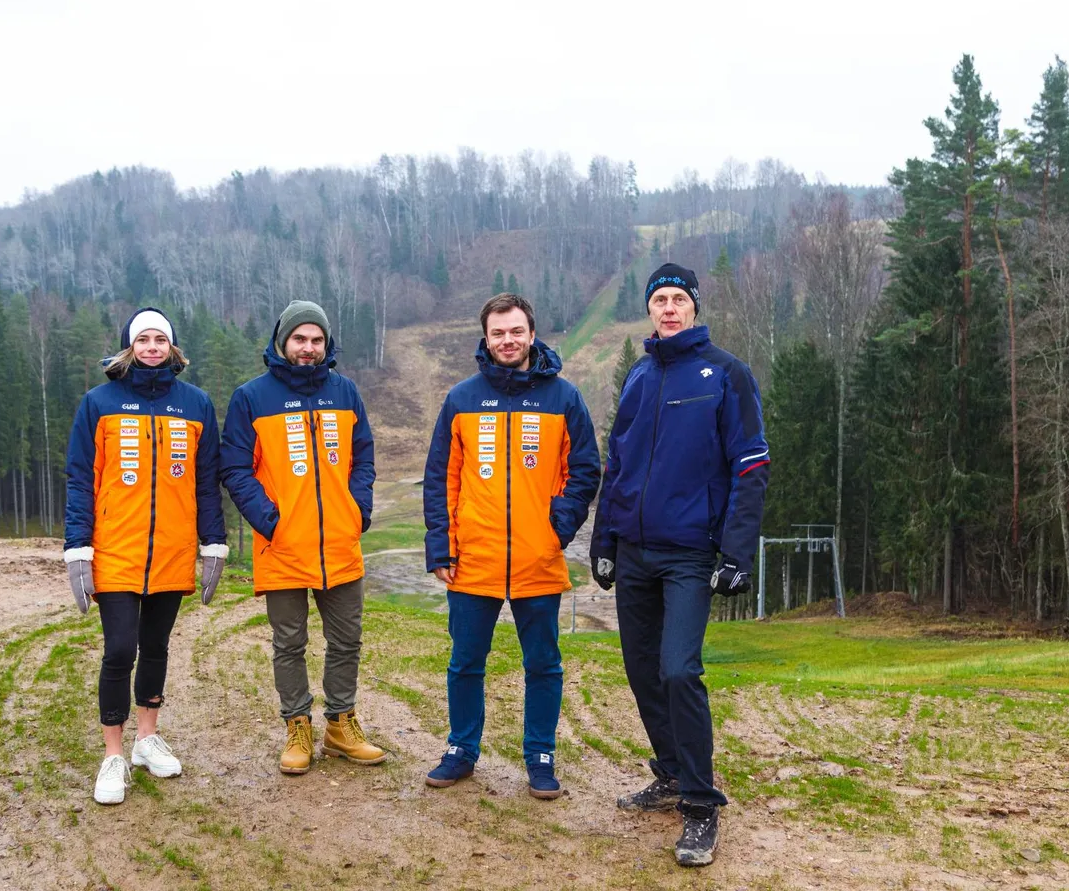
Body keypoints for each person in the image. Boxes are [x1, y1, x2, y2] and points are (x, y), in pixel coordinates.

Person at [589, 263, 771, 867]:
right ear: (650, 309)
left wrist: (737, 553)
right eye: (658, 300)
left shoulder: (725, 373)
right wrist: (604, 541)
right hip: (634, 551)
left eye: (678, 299)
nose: (668, 308)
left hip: (690, 553)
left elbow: (750, 466)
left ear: (694, 306)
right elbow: (619, 464)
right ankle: (669, 775)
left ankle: (699, 806)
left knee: (678, 672)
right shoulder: (640, 374)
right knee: (642, 671)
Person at [422, 293, 600, 799]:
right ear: (486, 337)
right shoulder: (460, 399)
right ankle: (461, 750)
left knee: (543, 663)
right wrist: (441, 546)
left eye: (516, 331)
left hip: (536, 559)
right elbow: (441, 478)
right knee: (464, 663)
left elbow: (584, 470)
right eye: (498, 333)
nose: (508, 340)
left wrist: (556, 528)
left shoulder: (563, 398)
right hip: (472, 560)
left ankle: (540, 756)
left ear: (531, 333)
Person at [63, 307, 228, 806]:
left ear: (172, 348)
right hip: (116, 552)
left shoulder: (195, 404)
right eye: (144, 339)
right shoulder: (99, 403)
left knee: (156, 647)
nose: (153, 346)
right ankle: (113, 753)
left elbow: (206, 483)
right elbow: (81, 480)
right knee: (119, 651)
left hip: (173, 553)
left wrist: (212, 543)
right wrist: (78, 550)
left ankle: (146, 739)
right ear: (129, 347)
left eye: (161, 339)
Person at [220, 300, 386, 774]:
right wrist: (269, 521)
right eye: (299, 339)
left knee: (347, 640)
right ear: (282, 342)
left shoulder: (346, 392)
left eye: (316, 340)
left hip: (340, 543)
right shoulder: (251, 397)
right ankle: (297, 726)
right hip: (284, 546)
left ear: (326, 344)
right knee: (289, 643)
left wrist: (358, 510)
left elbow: (364, 457)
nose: (308, 348)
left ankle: (340, 724)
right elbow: (235, 468)